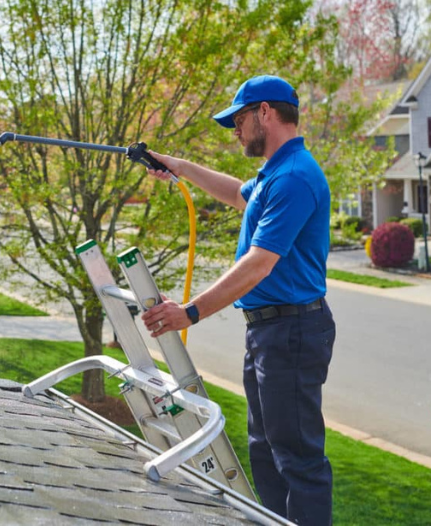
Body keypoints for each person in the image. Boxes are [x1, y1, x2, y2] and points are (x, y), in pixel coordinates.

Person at [141, 75, 336, 525]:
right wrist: (177, 165)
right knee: (265, 450)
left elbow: (257, 264)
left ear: (265, 112)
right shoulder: (275, 174)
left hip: (292, 332)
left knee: (297, 458)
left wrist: (189, 312)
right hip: (271, 331)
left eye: (239, 119)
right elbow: (235, 193)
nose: (235, 129)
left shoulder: (294, 178)